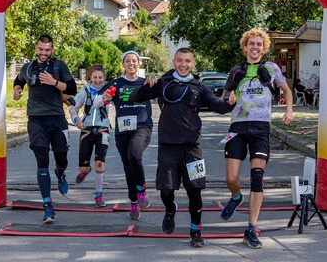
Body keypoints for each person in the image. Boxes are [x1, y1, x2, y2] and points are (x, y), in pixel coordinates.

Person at [129, 47, 236, 248]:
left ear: (193, 63)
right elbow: (135, 97)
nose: (183, 64)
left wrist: (230, 102)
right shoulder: (163, 82)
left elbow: (219, 107)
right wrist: (146, 86)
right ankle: (170, 210)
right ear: (174, 62)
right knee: (166, 190)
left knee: (195, 192)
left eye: (187, 61)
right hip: (168, 146)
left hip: (192, 149)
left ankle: (196, 231)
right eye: (180, 60)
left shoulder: (199, 86)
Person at [220, 29, 293, 249]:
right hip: (238, 127)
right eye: (251, 44)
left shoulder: (271, 69)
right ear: (245, 47)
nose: (255, 47)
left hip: (261, 128)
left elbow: (287, 91)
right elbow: (224, 97)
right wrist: (228, 99)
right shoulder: (236, 71)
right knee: (232, 178)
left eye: (259, 44)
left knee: (257, 177)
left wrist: (289, 111)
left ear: (264, 47)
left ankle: (251, 228)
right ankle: (235, 198)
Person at [13, 35, 77, 224]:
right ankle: (48, 206)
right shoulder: (28, 67)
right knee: (42, 160)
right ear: (36, 48)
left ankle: (61, 173)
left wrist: (54, 82)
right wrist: (17, 89)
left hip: (57, 119)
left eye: (47, 50)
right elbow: (19, 80)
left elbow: (72, 88)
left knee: (61, 157)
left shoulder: (59, 66)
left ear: (52, 49)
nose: (44, 53)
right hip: (36, 120)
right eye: (41, 49)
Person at [94, 50, 153, 221]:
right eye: (128, 61)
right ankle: (134, 201)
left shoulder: (146, 83)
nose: (131, 64)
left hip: (142, 126)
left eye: (134, 61)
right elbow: (97, 102)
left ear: (138, 63)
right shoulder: (116, 83)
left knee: (134, 155)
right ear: (123, 64)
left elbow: (164, 96)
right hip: (123, 129)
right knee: (128, 166)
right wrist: (104, 97)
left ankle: (141, 190)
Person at [68, 64, 111, 207]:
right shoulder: (85, 91)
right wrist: (77, 120)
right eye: (95, 77)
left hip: (102, 129)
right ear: (90, 78)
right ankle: (85, 171)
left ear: (104, 78)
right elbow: (73, 108)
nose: (98, 80)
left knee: (100, 162)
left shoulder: (108, 91)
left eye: (100, 77)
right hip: (86, 130)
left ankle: (99, 195)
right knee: (83, 168)